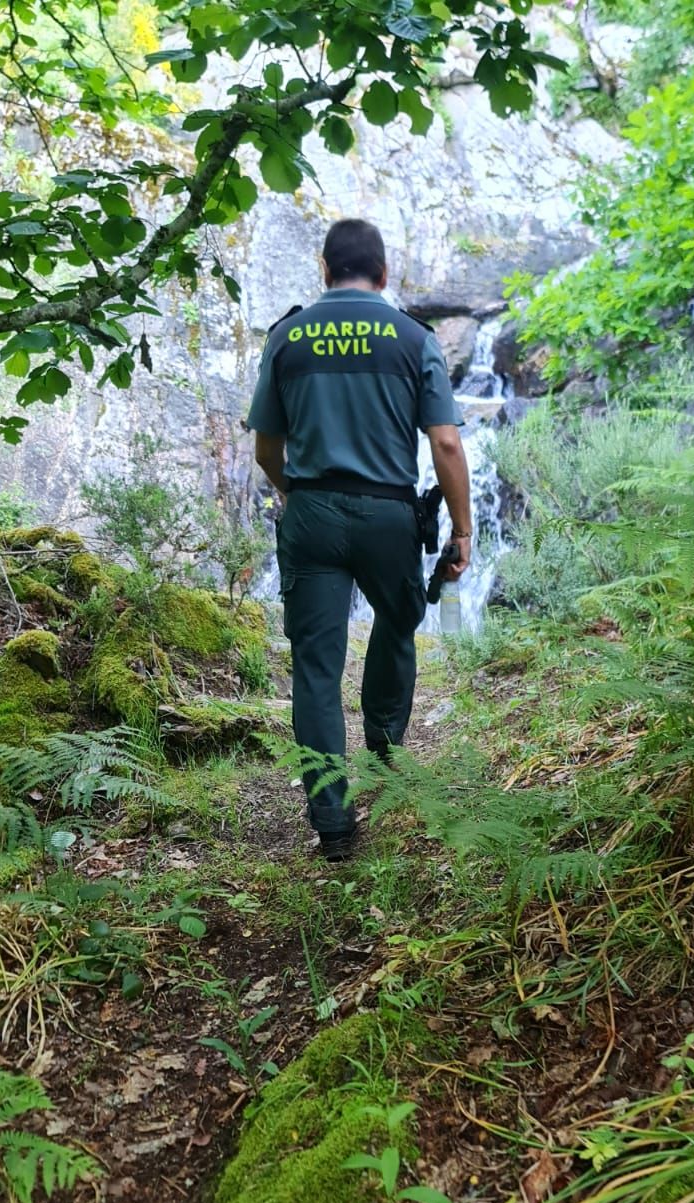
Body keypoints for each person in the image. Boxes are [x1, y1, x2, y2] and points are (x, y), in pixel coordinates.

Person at [247, 218, 474, 861]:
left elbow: (267, 446)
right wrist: (460, 529)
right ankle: (384, 747)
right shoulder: (411, 338)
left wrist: (296, 493)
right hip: (388, 516)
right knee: (397, 622)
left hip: (312, 511)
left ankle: (333, 823)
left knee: (315, 667)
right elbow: (447, 442)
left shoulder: (288, 338)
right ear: (382, 273)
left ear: (324, 269)